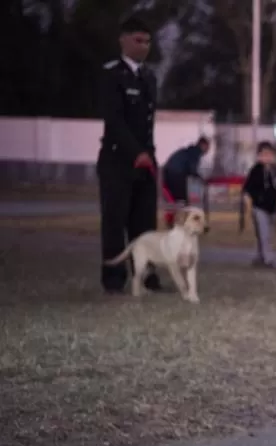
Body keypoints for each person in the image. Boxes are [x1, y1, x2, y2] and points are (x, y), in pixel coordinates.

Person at [97, 16, 162, 295]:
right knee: (115, 222)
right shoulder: (111, 74)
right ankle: (114, 279)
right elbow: (114, 120)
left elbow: (148, 122)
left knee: (145, 223)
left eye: (148, 41)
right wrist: (135, 153)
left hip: (145, 161)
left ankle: (146, 277)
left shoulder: (149, 76)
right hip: (117, 161)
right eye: (138, 40)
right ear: (123, 40)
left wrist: (149, 155)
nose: (144, 46)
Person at [242, 141, 276, 268]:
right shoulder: (255, 171)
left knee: (267, 234)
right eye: (264, 154)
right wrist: (254, 199)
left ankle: (259, 256)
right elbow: (247, 188)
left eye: (270, 154)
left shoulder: (275, 171)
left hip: (272, 208)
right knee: (263, 233)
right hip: (259, 208)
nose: (267, 157)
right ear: (259, 156)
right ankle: (268, 259)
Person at [162, 136, 210, 223]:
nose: (207, 150)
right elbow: (192, 169)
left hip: (168, 173)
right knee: (182, 201)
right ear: (203, 145)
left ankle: (171, 220)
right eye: (207, 147)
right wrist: (201, 179)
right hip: (177, 175)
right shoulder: (195, 152)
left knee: (175, 200)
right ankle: (182, 222)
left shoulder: (188, 151)